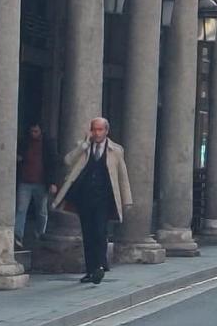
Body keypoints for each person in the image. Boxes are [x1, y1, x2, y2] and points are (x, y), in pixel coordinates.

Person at [51, 117, 131, 284]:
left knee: (100, 232)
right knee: (88, 234)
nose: (97, 133)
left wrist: (126, 200)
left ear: (106, 131)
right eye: (94, 129)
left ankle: (100, 266)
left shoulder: (116, 150)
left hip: (103, 198)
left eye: (100, 129)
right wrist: (84, 145)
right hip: (84, 197)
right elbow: (67, 161)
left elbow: (122, 177)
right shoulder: (85, 147)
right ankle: (90, 270)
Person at [14, 122, 58, 248]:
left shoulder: (48, 144)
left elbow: (52, 163)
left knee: (42, 211)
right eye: (31, 131)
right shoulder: (24, 142)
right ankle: (18, 236)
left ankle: (40, 234)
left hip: (41, 182)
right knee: (21, 209)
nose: (33, 134)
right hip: (25, 181)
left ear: (40, 131)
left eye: (36, 131)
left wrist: (52, 182)